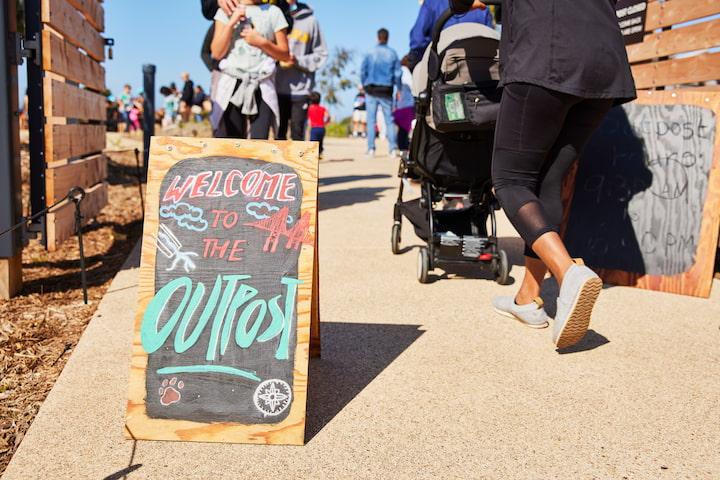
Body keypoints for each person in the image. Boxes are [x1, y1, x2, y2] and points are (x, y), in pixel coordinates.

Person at [451, 0, 636, 348]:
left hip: (545, 52)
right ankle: (527, 298)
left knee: (509, 180)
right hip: (604, 60)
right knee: (549, 178)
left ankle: (569, 274)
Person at [210, 0, 290, 139]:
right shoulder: (226, 10)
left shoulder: (274, 12)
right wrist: (232, 22)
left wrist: (261, 42)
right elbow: (216, 53)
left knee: (259, 141)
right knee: (233, 140)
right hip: (232, 84)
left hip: (262, 84)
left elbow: (285, 54)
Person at [275, 0, 328, 141]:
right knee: (278, 135)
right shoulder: (272, 14)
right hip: (275, 88)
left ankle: (296, 164)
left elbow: (321, 54)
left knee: (297, 135)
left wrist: (297, 61)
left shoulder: (311, 21)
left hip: (301, 91)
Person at [408, 0, 494, 70]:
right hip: (482, 71)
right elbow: (489, 37)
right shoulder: (481, 4)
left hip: (445, 71)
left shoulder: (432, 3)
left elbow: (417, 40)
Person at [361, 28, 402, 158]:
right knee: (389, 120)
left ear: (377, 37)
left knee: (371, 120)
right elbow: (397, 73)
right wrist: (399, 88)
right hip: (386, 90)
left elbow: (363, 71)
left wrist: (364, 84)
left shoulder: (370, 52)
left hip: (371, 90)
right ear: (387, 38)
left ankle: (371, 149)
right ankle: (392, 149)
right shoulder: (393, 53)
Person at [393, 56, 415, 152]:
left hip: (400, 104)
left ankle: (401, 145)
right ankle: (403, 146)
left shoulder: (397, 71)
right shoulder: (405, 71)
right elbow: (411, 85)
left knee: (402, 128)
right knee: (404, 128)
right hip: (406, 103)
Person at [307, 91, 329, 157]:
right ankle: (320, 153)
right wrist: (326, 123)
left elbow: (307, 118)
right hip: (322, 128)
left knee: (313, 143)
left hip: (314, 128)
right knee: (320, 142)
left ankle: (313, 156)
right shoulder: (323, 108)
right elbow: (328, 116)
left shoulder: (310, 108)